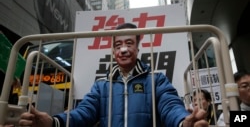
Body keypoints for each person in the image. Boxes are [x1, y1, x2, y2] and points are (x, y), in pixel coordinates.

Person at [18, 23, 208, 127]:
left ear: (138, 46)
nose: (123, 49)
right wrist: (53, 122)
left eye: (129, 43)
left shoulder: (156, 80)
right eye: (118, 45)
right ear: (113, 50)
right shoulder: (101, 85)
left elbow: (171, 107)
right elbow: (82, 114)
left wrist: (184, 122)